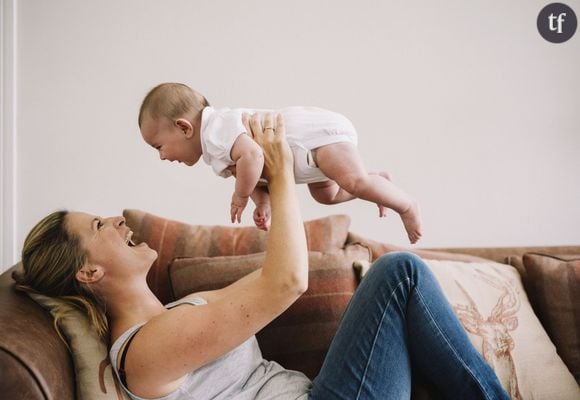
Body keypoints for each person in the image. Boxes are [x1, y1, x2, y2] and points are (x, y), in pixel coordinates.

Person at [14, 113, 508, 400]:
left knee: (401, 281)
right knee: (399, 273)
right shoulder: (141, 353)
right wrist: (279, 165)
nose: (117, 220)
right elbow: (286, 282)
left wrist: (272, 183)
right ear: (88, 271)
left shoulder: (173, 314)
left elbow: (274, 278)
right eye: (99, 225)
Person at [138, 82, 422, 244]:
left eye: (158, 146)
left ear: (184, 128)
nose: (162, 156)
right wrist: (262, 202)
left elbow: (254, 156)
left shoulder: (215, 128)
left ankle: (406, 204)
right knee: (328, 195)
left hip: (314, 137)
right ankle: (377, 180)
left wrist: (241, 195)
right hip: (307, 159)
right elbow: (257, 173)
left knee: (353, 182)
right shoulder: (215, 151)